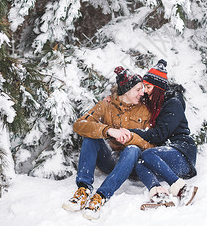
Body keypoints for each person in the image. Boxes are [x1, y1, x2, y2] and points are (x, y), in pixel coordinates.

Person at [62, 66, 153, 220]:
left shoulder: (145, 111)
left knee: (132, 149)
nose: (142, 93)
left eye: (142, 89)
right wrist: (109, 130)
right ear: (126, 90)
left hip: (133, 164)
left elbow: (152, 145)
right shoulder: (106, 106)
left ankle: (101, 195)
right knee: (92, 134)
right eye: (138, 89)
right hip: (110, 161)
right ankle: (83, 189)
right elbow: (79, 124)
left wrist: (131, 138)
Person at [127, 59, 198, 209]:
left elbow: (159, 135)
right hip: (164, 156)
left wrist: (131, 132)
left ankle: (183, 188)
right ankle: (159, 195)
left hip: (182, 152)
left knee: (147, 155)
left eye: (148, 86)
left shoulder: (173, 104)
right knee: (140, 164)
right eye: (144, 86)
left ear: (158, 88)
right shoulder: (154, 102)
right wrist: (112, 100)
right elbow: (129, 100)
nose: (145, 91)